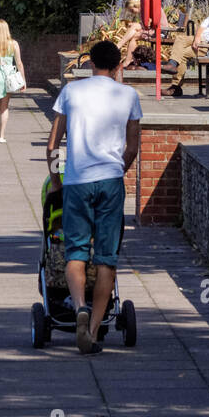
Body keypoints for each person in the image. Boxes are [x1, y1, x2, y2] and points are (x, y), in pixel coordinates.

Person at [47, 40, 141, 355]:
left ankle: (79, 308)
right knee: (106, 257)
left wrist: (56, 179)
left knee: (75, 250)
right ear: (117, 66)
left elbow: (52, 146)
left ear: (89, 64)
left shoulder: (72, 92)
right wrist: (119, 170)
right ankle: (93, 329)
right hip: (111, 181)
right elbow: (132, 146)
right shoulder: (129, 95)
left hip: (77, 181)